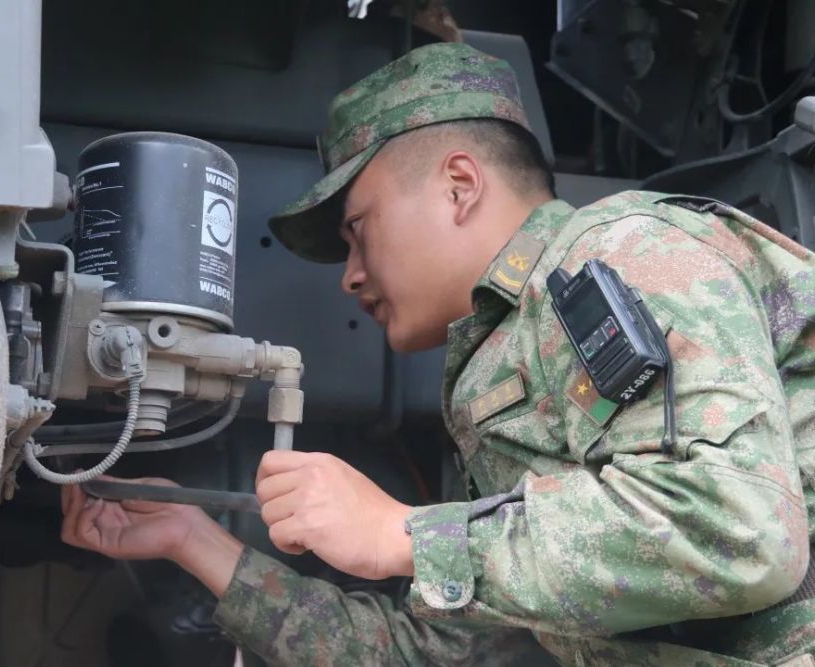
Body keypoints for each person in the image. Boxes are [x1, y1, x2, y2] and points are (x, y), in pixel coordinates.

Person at [61, 42, 815, 666]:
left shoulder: (620, 251)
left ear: (459, 185)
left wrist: (400, 533)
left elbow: (739, 529)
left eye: (359, 228)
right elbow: (434, 652)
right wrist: (194, 541)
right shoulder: (503, 361)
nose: (351, 273)